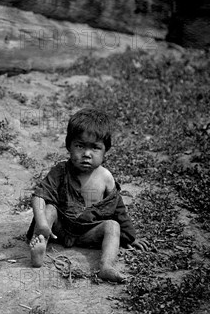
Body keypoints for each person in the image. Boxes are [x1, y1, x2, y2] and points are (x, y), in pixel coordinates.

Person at [26, 108, 152, 282]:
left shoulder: (106, 178)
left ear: (105, 151)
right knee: (49, 209)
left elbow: (119, 209)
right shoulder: (60, 171)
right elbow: (40, 194)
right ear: (69, 145)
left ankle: (106, 266)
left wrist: (131, 235)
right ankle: (40, 245)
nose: (86, 154)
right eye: (80, 146)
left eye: (95, 148)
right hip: (59, 229)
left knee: (113, 226)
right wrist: (41, 223)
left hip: (88, 233)